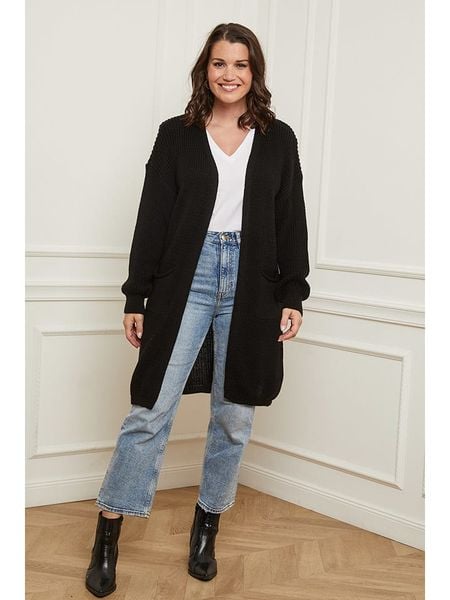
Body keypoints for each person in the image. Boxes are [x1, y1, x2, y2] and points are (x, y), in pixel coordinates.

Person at [85, 22, 310, 597]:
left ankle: (206, 527)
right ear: (204, 70)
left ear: (254, 72)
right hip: (186, 275)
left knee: (234, 415)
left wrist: (293, 292)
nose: (229, 74)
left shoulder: (279, 139)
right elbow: (152, 217)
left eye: (240, 64)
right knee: (150, 408)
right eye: (219, 63)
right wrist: (136, 294)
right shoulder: (176, 135)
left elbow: (291, 219)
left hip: (254, 282)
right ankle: (108, 530)